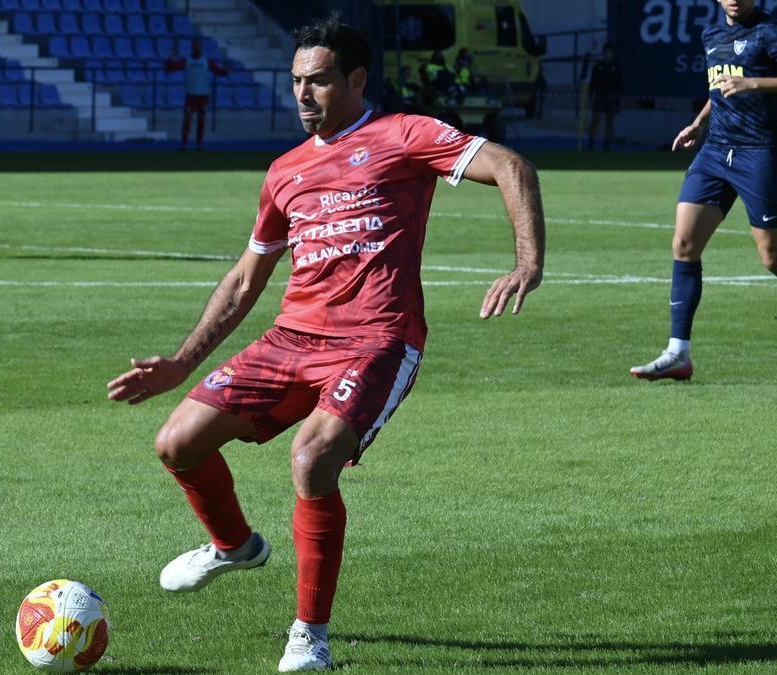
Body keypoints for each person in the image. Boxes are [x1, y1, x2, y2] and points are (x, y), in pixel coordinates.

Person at [106, 16, 545, 673]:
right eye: (295, 82)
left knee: (312, 460)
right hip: (290, 339)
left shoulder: (402, 135)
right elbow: (245, 279)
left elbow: (510, 164)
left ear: (356, 79)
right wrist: (181, 362)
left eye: (317, 81)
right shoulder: (284, 172)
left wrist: (526, 261)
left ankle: (309, 633)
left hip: (377, 340)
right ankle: (234, 545)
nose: (302, 94)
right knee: (175, 442)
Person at [630, 0, 777, 380]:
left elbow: (742, 83)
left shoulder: (768, 29)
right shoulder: (711, 34)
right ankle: (678, 353)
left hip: (759, 151)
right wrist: (697, 124)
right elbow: (718, 89)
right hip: (714, 152)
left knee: (771, 257)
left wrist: (754, 82)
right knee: (684, 244)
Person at [165, 38, 229, 151]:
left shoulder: (206, 61)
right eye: (195, 45)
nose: (197, 48)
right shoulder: (187, 61)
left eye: (198, 46)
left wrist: (227, 69)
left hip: (203, 95)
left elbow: (219, 71)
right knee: (187, 121)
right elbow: (170, 68)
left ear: (201, 47)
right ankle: (184, 144)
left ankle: (199, 144)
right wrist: (170, 58)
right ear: (192, 47)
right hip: (190, 95)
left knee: (201, 121)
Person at [586, 44, 623, 151]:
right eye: (606, 52)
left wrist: (619, 99)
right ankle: (590, 143)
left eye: (609, 53)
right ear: (603, 53)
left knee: (609, 121)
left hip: (611, 98)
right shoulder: (598, 67)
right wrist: (590, 95)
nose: (607, 55)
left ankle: (607, 145)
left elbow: (619, 84)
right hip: (599, 97)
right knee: (595, 119)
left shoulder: (615, 67)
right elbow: (592, 83)